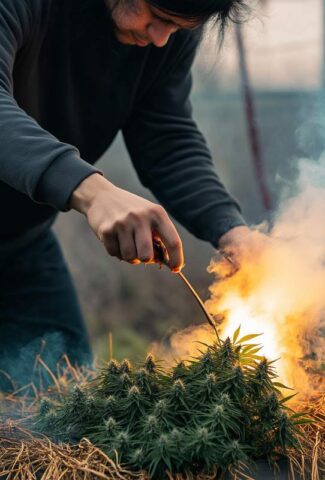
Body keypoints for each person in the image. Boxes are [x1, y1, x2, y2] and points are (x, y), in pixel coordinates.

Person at [0, 0, 255, 390]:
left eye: (178, 28)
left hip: (20, 242)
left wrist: (232, 231)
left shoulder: (166, 33)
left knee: (64, 408)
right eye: (159, 18)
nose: (160, 39)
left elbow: (166, 137)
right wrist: (92, 190)